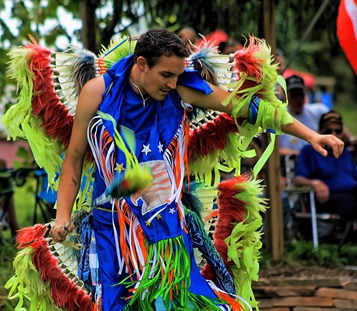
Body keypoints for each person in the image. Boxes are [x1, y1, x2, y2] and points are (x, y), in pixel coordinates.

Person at [50, 28, 343, 310]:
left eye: (177, 75)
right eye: (166, 75)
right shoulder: (98, 92)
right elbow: (74, 158)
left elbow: (249, 108)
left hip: (166, 231)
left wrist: (312, 135)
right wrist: (62, 216)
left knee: (179, 303)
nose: (172, 84)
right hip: (114, 229)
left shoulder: (182, 89)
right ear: (141, 64)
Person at [293, 110, 357, 222]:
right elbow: (298, 179)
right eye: (329, 130)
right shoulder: (309, 151)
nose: (334, 134)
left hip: (351, 193)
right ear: (320, 131)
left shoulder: (345, 152)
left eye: (337, 130)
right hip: (328, 198)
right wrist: (315, 183)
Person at [279, 75, 329, 156]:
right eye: (294, 95)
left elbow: (337, 123)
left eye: (301, 95)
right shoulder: (279, 117)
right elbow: (275, 151)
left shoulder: (318, 110)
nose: (298, 99)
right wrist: (302, 155)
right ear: (286, 96)